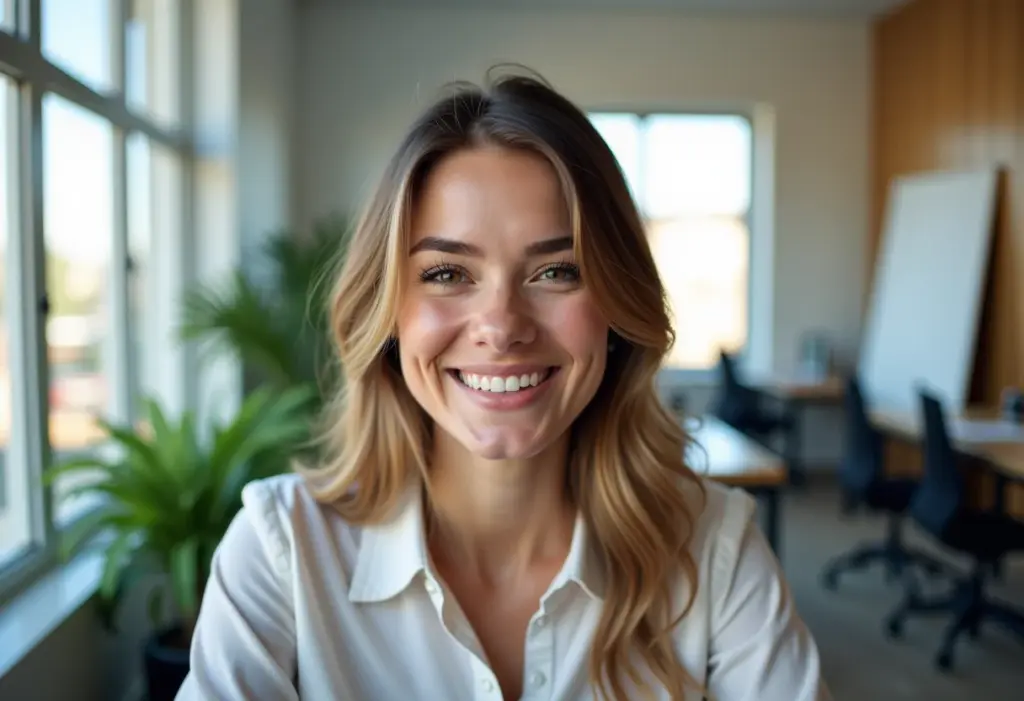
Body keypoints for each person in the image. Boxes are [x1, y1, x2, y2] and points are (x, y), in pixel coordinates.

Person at [176, 70, 831, 701]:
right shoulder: (282, 550)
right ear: (388, 314)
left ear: (615, 309)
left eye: (556, 271)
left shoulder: (714, 546)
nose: (501, 326)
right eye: (446, 274)